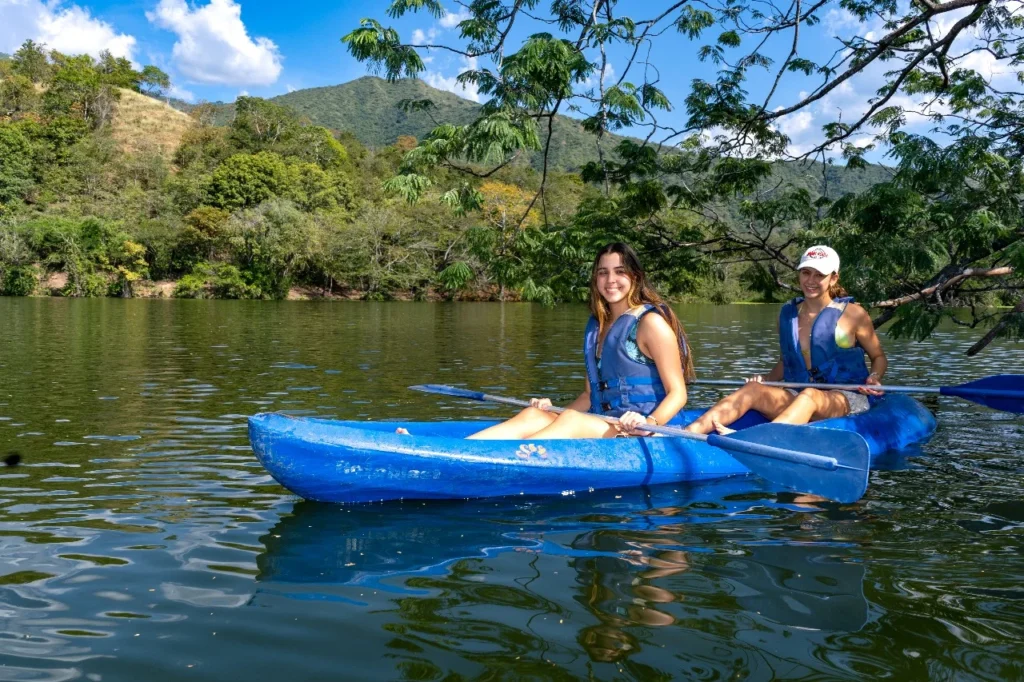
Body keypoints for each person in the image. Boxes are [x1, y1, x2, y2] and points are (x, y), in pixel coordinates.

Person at [466, 242, 695, 439]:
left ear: (635, 276)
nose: (610, 280)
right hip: (607, 423)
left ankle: (505, 457)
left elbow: (678, 392)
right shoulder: (598, 327)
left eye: (619, 271)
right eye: (603, 272)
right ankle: (462, 450)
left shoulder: (650, 323)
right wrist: (553, 413)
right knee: (535, 415)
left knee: (572, 422)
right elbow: (588, 396)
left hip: (651, 430)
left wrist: (651, 423)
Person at [686, 245, 886, 436]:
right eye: (806, 272)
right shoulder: (787, 314)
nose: (811, 280)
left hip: (845, 397)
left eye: (819, 275)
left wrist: (875, 376)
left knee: (810, 395)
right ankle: (688, 433)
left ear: (833, 279)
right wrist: (767, 379)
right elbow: (787, 360)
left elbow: (878, 356)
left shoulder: (854, 314)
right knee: (753, 390)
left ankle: (759, 440)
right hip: (796, 393)